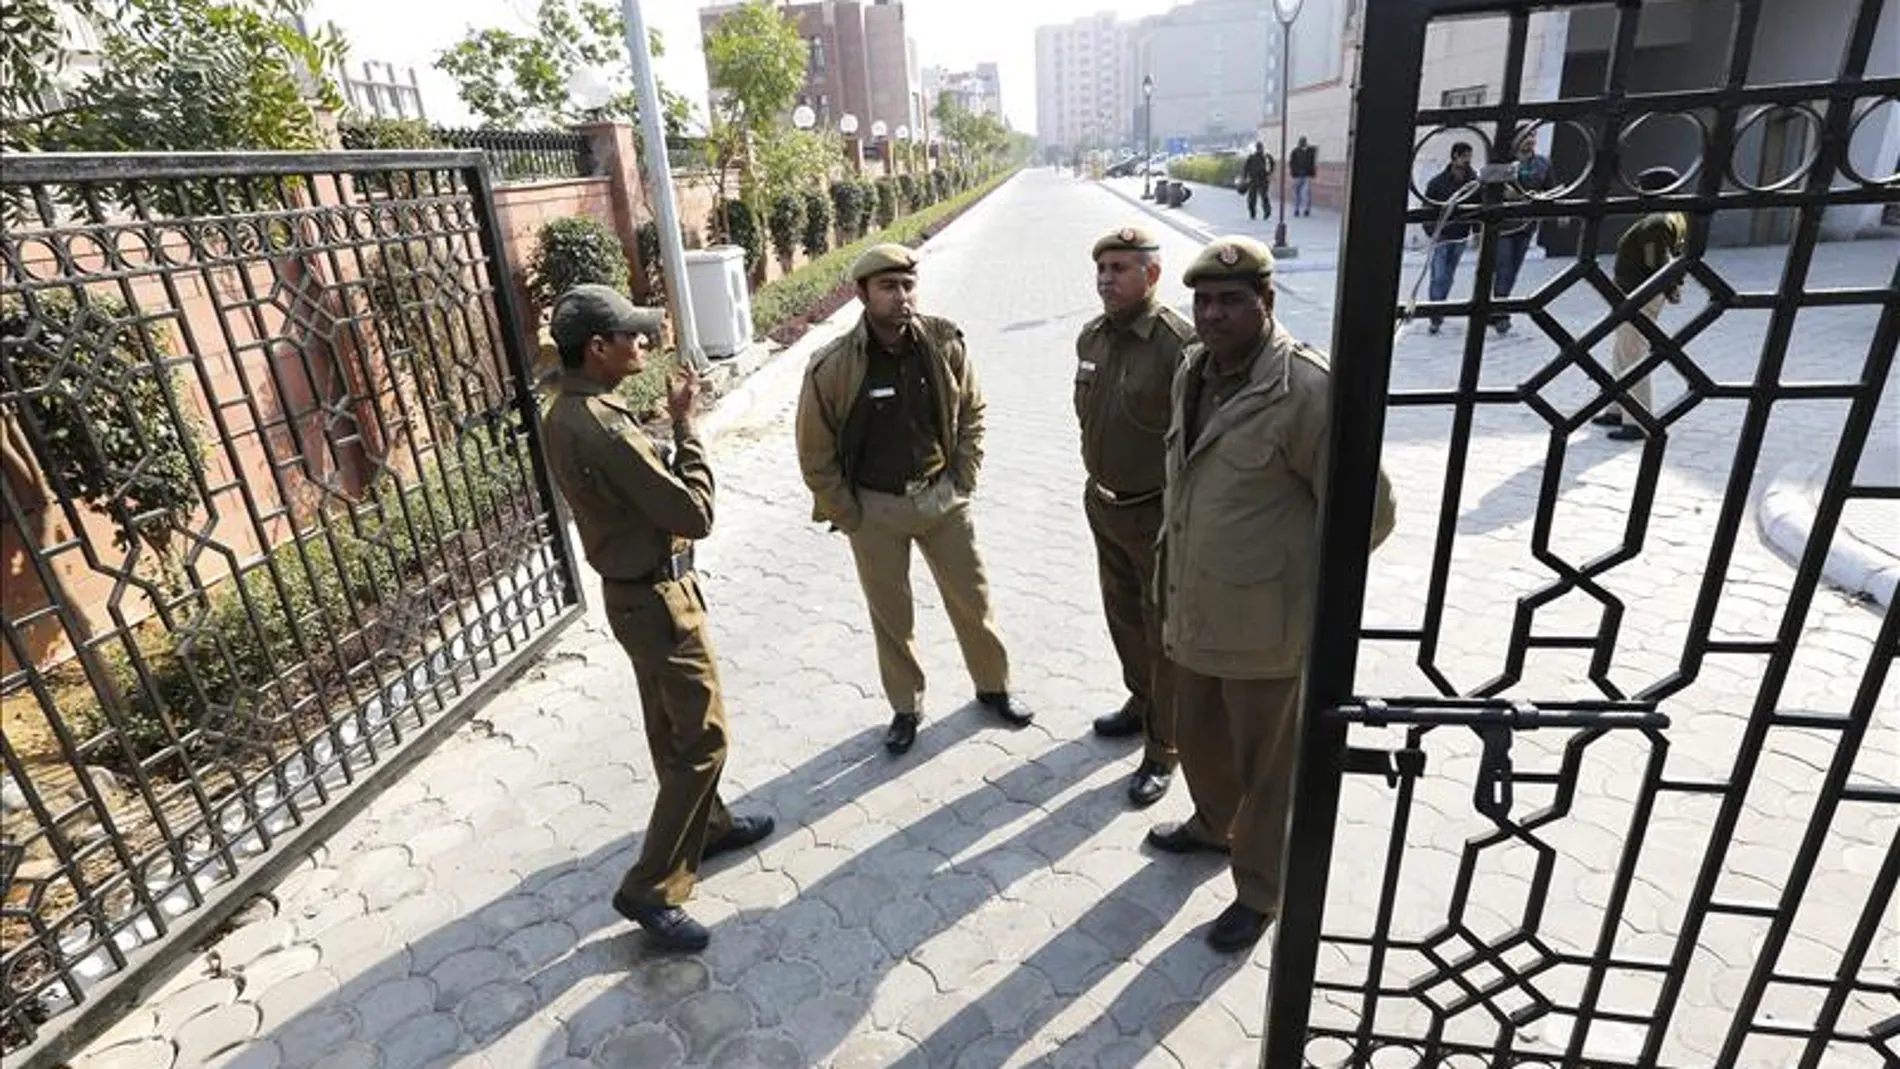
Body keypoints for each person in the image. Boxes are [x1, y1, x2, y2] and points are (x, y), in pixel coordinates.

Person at [1146, 236, 1396, 953]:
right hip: (1193, 610)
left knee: (1269, 769)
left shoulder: (1304, 390)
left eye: (1231, 300)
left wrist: (1299, 586)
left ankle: (1261, 888)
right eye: (1204, 301)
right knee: (1198, 737)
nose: (1214, 314)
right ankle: (1211, 826)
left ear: (1267, 303)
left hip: (1266, 632)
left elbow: (1368, 513)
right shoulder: (1193, 370)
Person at [540, 285, 775, 952]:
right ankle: (650, 886)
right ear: (597, 347)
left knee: (671, 728)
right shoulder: (606, 429)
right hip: (659, 598)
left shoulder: (570, 409)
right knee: (703, 739)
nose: (643, 343)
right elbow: (692, 514)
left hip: (633, 595)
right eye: (632, 336)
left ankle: (710, 825)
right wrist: (686, 428)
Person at [795, 243, 1033, 755]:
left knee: (974, 600)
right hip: (874, 510)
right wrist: (850, 514)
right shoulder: (833, 366)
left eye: (907, 285)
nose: (901, 297)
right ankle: (906, 707)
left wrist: (962, 480)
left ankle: (993, 687)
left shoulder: (944, 343)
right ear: (862, 294)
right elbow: (814, 453)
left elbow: (973, 411)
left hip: (942, 500)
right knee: (891, 616)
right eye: (888, 287)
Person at [1074, 226, 1194, 808]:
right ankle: (1139, 701)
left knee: (1160, 633)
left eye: (1120, 268)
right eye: (1101, 268)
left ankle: (1164, 747)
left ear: (1152, 274)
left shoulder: (1179, 345)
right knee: (1122, 617)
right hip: (1104, 505)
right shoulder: (1092, 338)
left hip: (1156, 515)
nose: (1107, 278)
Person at [1597, 165, 1689, 442]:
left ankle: (1636, 420)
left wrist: (1671, 287)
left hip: (1639, 295)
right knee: (1623, 351)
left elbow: (1657, 264)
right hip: (1637, 295)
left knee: (1632, 356)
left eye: (1641, 188)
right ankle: (1617, 408)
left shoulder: (1657, 222)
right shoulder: (1673, 215)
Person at [1490, 132, 1555, 335]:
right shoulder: (1504, 162)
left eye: (1533, 137)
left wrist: (1536, 198)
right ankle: (1500, 314)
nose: (1530, 141)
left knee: (1513, 271)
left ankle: (1496, 307)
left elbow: (1551, 190)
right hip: (1503, 226)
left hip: (1526, 226)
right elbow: (1488, 187)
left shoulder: (1543, 164)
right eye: (1526, 136)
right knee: (1504, 269)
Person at [1423, 142, 1477, 334]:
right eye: (1465, 156)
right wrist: (1432, 232)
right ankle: (1435, 315)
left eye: (1470, 156)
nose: (1468, 160)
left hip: (1461, 235)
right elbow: (1426, 209)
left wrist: (1477, 232)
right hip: (1442, 235)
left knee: (1448, 276)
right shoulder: (1438, 182)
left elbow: (1479, 207)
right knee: (1438, 276)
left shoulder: (1473, 181)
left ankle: (1440, 307)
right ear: (1455, 156)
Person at [1241, 142, 1273, 221]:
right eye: (1258, 148)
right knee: (1252, 198)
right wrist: (1244, 178)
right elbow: (1246, 168)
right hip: (1253, 179)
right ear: (1256, 148)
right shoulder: (1252, 157)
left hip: (1263, 179)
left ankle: (1267, 212)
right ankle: (1252, 213)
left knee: (1264, 197)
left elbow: (1272, 164)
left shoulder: (1266, 157)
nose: (1260, 149)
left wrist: (1269, 173)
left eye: (1261, 147)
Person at [1289, 136, 1318, 217]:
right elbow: (1292, 163)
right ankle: (1297, 209)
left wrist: (1313, 172)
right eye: (1301, 142)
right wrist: (1293, 173)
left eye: (1303, 142)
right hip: (1298, 175)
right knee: (1297, 193)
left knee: (1306, 193)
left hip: (1307, 174)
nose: (1302, 143)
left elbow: (1312, 162)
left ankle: (1306, 209)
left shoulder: (1310, 151)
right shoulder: (1295, 151)